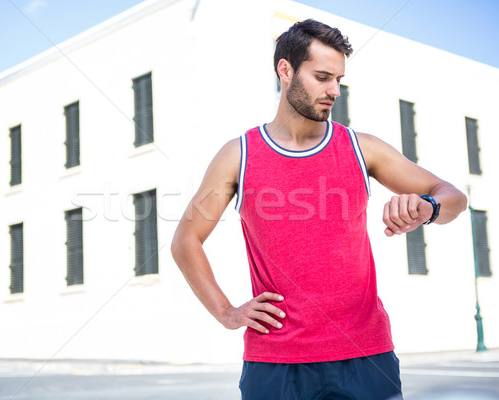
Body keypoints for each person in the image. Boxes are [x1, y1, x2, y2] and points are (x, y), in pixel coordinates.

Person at [171, 18, 467, 400]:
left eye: (339, 79)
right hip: (275, 365)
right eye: (323, 77)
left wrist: (426, 208)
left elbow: (453, 197)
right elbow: (185, 241)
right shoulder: (238, 156)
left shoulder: (364, 148)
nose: (335, 91)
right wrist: (226, 311)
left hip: (366, 357)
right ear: (285, 70)